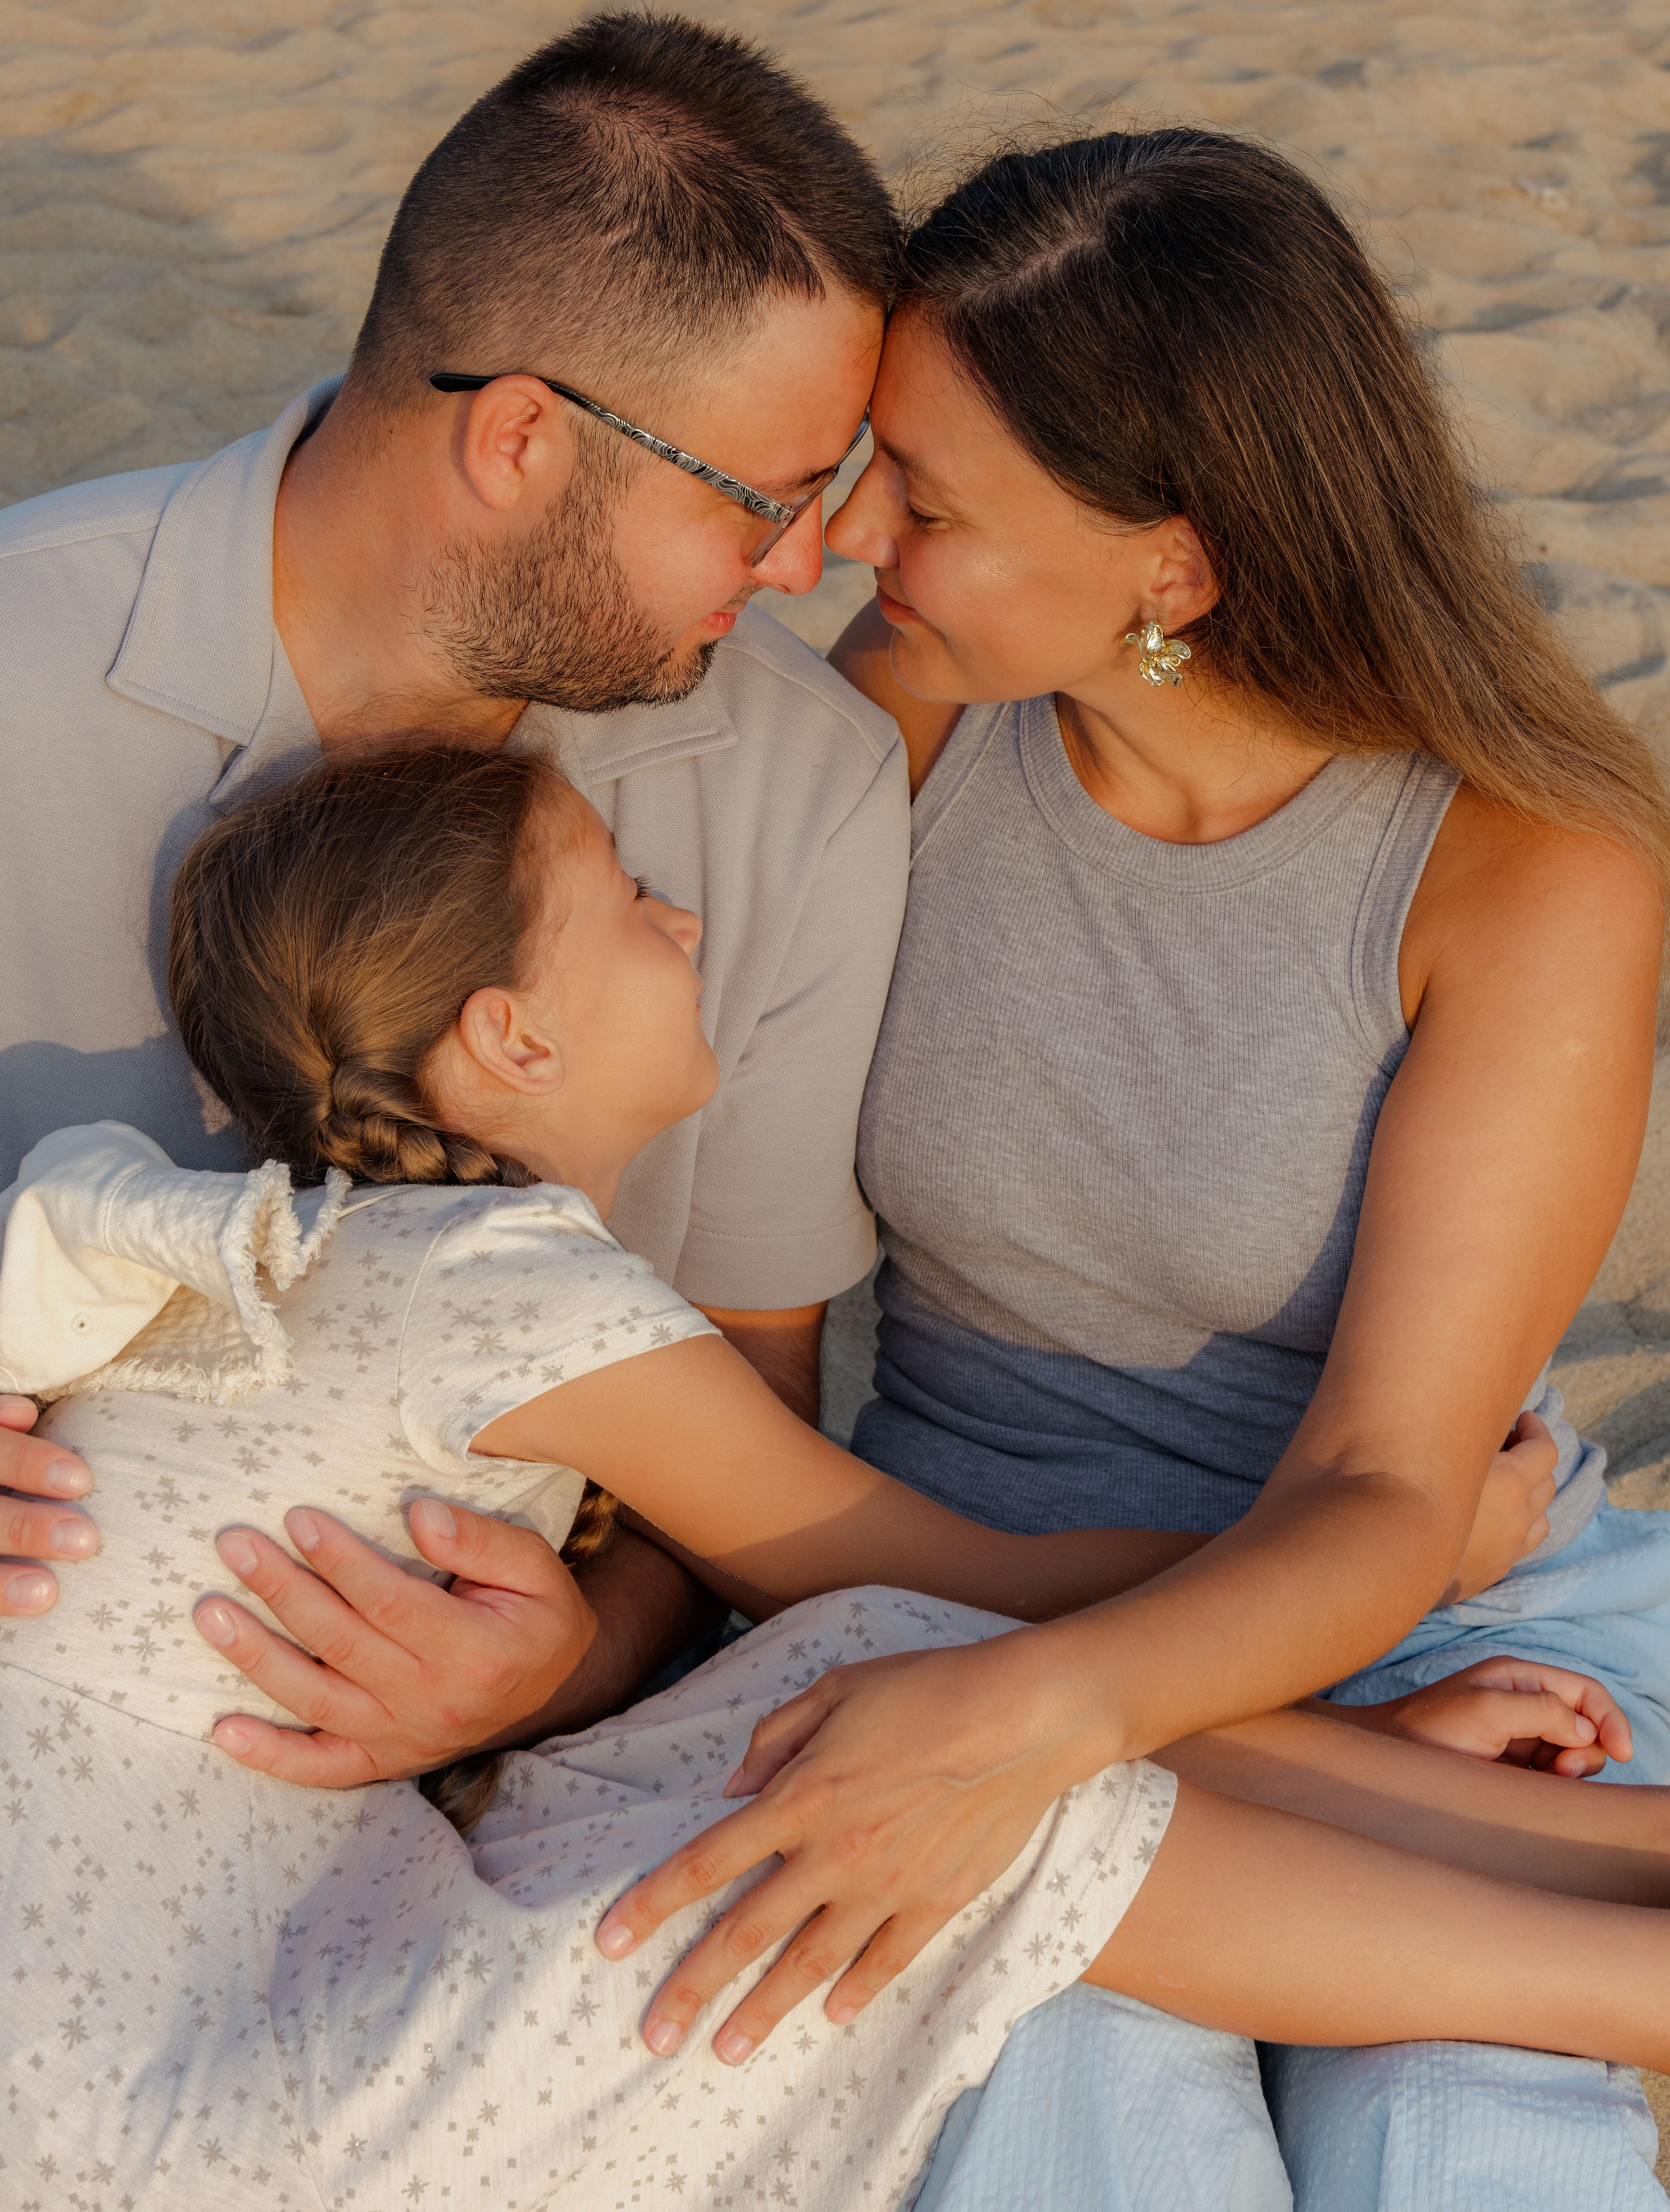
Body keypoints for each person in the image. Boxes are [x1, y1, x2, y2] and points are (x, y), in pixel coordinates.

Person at [8, 737, 1670, 2212]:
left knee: (872, 1679)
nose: (686, 926)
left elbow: (874, 1614)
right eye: (629, 901)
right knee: (903, 1780)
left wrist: (1332, 1725)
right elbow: (941, 1572)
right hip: (215, 2109)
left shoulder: (284, 1257)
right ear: (509, 1033)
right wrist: (1392, 1552)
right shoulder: (493, 1284)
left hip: (164, 2028)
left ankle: (1565, 1833)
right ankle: (1624, 1978)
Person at [597, 129, 1670, 2209]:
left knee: (1462, 2139)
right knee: (1076, 2107)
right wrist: (986, 1692)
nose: (841, 546)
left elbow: (1385, 1490)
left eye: (928, 497)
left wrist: (1052, 1709)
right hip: (937, 1602)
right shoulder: (901, 725)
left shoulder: (1526, 868)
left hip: (1443, 1631)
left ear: (1171, 566)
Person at [0, 9, 907, 1761]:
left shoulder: (805, 789)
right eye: (763, 500)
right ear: (517, 443)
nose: (808, 569)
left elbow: (740, 1444)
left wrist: (555, 1674)